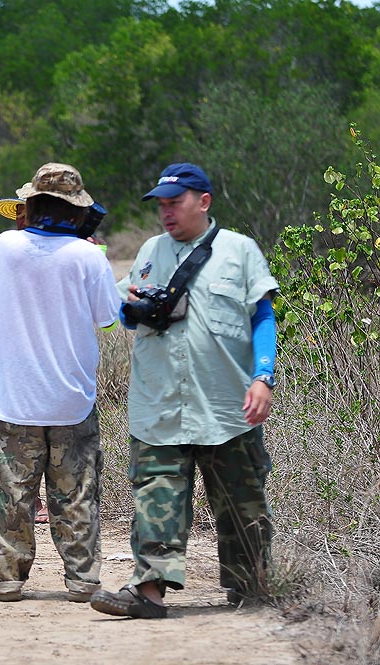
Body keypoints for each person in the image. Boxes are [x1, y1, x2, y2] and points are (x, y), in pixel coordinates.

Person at [90, 162, 278, 619]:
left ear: (204, 201)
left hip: (227, 406)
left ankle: (248, 586)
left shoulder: (239, 250)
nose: (166, 213)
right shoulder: (151, 251)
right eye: (161, 205)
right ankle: (148, 591)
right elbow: (122, 314)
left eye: (175, 203)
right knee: (156, 495)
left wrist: (263, 376)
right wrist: (135, 308)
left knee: (243, 504)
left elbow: (263, 317)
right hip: (160, 404)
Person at [0, 163, 121, 603]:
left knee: (10, 493)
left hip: (14, 395)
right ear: (76, 210)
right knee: (76, 493)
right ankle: (82, 580)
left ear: (33, 204)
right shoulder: (88, 256)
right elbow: (107, 318)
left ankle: (5, 578)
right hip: (71, 397)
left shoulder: (5, 246)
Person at [0, 191, 52, 525]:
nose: (20, 218)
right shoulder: (7, 250)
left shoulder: (62, 251)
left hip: (49, 357)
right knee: (21, 433)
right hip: (17, 355)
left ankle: (39, 500)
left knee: (46, 431)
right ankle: (31, 500)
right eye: (18, 213)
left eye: (26, 212)